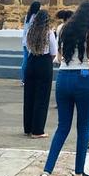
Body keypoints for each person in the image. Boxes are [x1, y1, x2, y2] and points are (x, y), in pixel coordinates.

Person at [35, 0, 89, 176]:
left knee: (62, 127)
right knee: (82, 128)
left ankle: (46, 171)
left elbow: (58, 57)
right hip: (83, 78)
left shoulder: (63, 29)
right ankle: (79, 172)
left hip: (64, 77)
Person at [23, 9, 57, 138]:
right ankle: (37, 130)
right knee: (42, 97)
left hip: (31, 61)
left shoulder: (30, 32)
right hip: (44, 62)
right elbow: (53, 51)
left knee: (29, 95)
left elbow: (27, 47)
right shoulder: (49, 33)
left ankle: (28, 126)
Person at [20, 0, 42, 83]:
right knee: (31, 60)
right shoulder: (36, 17)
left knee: (25, 60)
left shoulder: (28, 16)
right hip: (31, 41)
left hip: (25, 40)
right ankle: (29, 78)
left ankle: (23, 79)